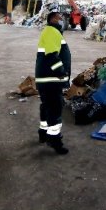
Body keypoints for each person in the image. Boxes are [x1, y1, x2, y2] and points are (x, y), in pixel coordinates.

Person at [35, 11, 71, 155]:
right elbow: (52, 56)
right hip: (51, 79)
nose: (62, 21)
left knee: (47, 107)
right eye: (60, 18)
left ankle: (43, 133)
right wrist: (61, 72)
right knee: (55, 109)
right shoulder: (51, 32)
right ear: (53, 19)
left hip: (46, 79)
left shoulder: (52, 32)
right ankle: (54, 140)